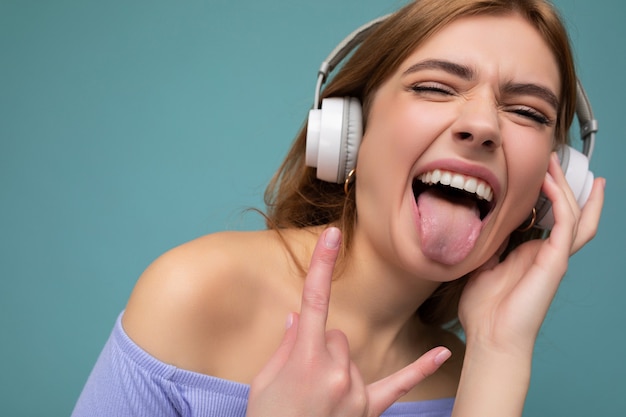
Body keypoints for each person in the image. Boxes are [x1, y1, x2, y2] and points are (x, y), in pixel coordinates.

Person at [72, 0, 605, 416]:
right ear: (350, 136)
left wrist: (500, 348)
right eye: (436, 87)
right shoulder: (195, 293)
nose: (484, 125)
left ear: (552, 186)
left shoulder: (471, 377)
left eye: (526, 112)